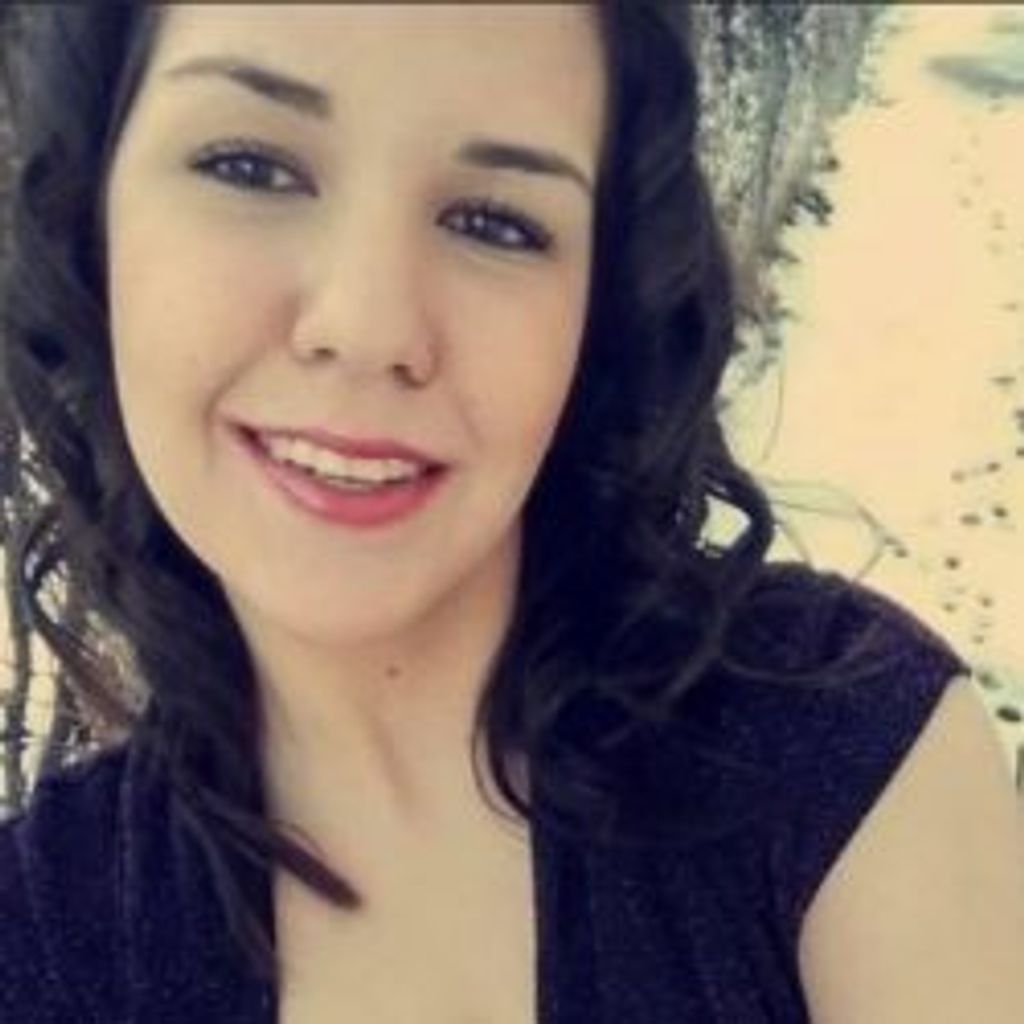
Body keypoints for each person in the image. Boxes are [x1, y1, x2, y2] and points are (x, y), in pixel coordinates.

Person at [1, 4, 1022, 1023]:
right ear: (91, 222)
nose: (370, 325)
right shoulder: (42, 941)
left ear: (596, 311)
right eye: (251, 167)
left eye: (495, 223)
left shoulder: (836, 761)